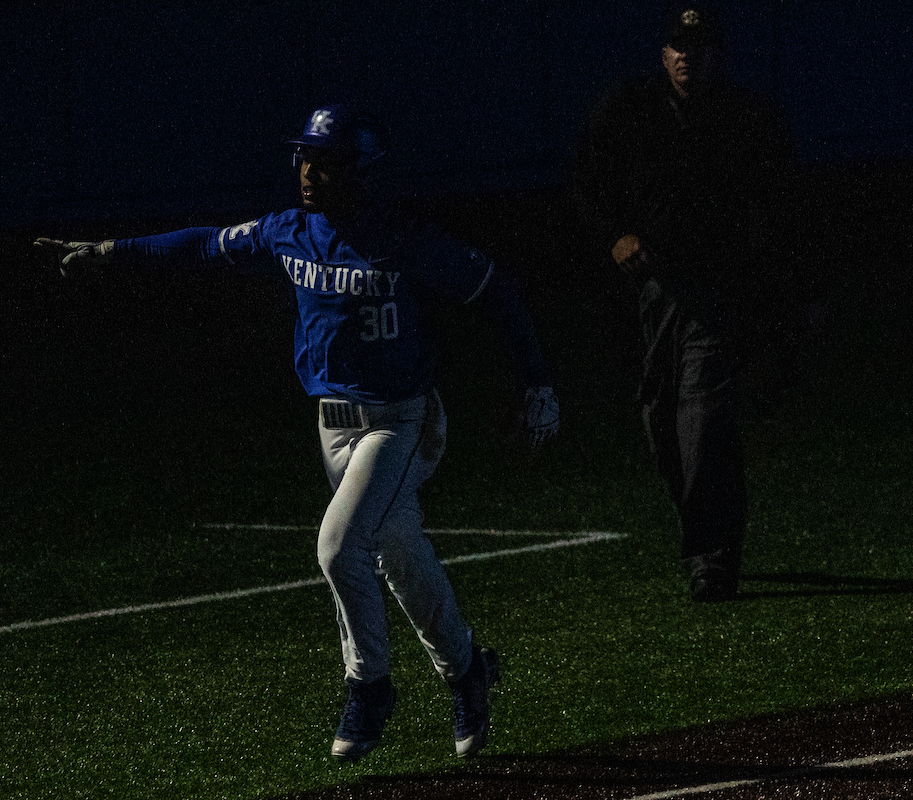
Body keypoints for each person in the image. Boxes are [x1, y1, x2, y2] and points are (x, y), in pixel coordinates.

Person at [36, 104, 560, 759]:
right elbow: (205, 243)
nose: (310, 172)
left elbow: (499, 292)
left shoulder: (407, 240)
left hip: (401, 422)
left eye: (327, 162)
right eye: (306, 158)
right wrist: (114, 252)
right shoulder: (290, 231)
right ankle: (466, 669)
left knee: (339, 548)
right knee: (401, 558)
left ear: (362, 172)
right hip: (333, 428)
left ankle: (369, 688)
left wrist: (536, 382)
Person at [570, 5, 797, 602]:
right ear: (662, 53)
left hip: (719, 294)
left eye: (697, 48)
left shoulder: (746, 117)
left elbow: (784, 209)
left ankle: (712, 559)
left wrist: (778, 298)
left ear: (716, 55)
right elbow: (585, 187)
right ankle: (706, 533)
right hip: (650, 296)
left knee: (703, 420)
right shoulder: (628, 110)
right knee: (661, 423)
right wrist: (613, 236)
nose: (685, 58)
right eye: (676, 46)